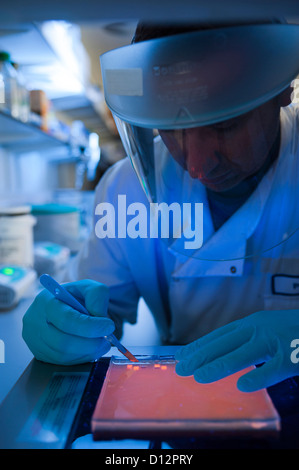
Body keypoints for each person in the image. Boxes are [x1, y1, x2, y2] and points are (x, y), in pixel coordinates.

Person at [22, 20, 299, 393]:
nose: (198, 165)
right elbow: (100, 309)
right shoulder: (126, 189)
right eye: (170, 128)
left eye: (226, 126)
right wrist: (67, 327)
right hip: (184, 394)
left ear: (282, 86)